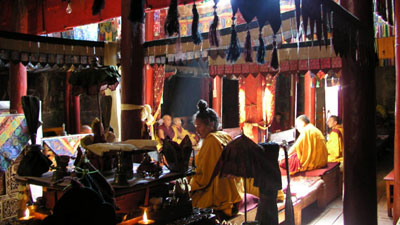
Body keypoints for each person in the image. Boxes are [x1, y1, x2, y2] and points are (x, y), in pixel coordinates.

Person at [189, 100, 243, 219]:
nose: (197, 130)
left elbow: (205, 174)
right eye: (196, 126)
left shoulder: (211, 140)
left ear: (211, 124)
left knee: (191, 201)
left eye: (200, 126)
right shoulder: (223, 135)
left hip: (220, 192)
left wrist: (191, 183)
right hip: (233, 189)